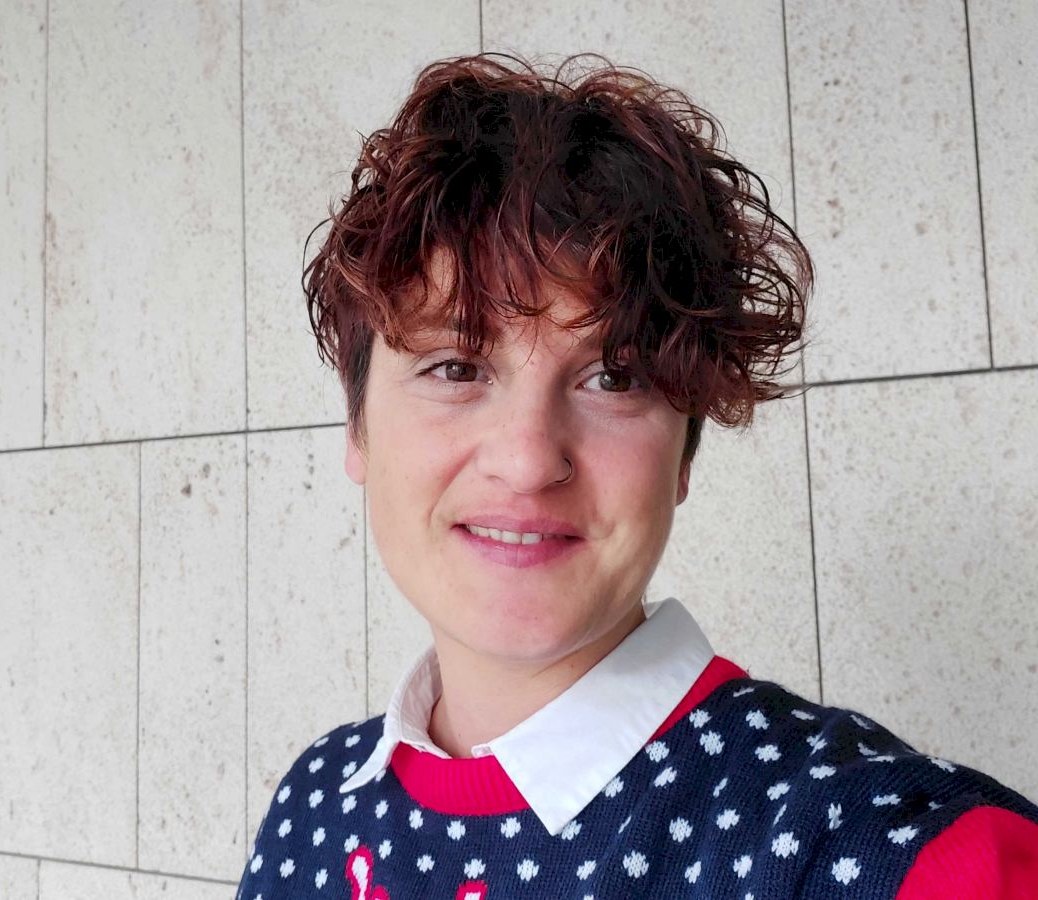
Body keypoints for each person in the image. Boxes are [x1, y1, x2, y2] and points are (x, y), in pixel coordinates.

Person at [236, 52, 1038, 899]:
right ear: (358, 428)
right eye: (455, 368)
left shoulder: (895, 852)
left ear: (683, 451)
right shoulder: (311, 805)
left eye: (613, 378)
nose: (528, 459)